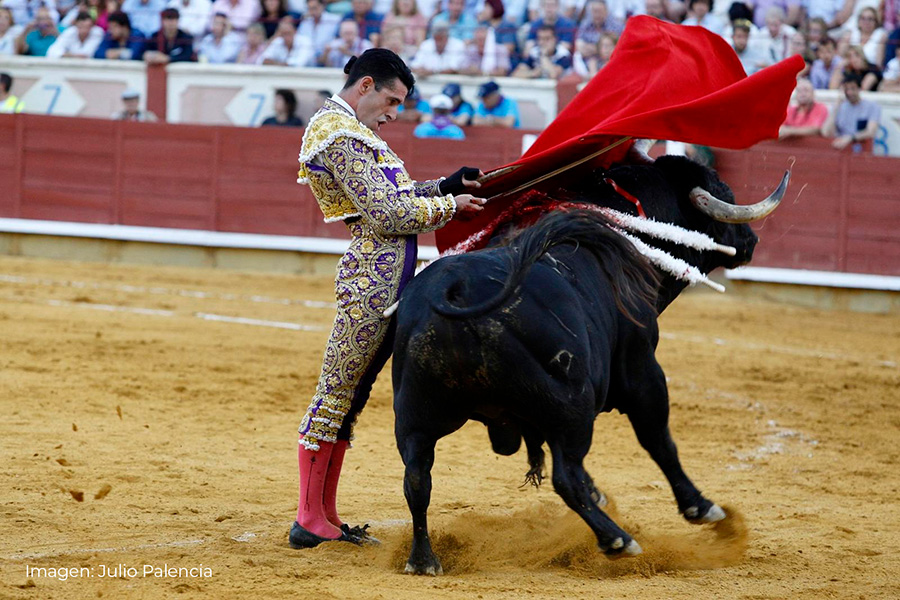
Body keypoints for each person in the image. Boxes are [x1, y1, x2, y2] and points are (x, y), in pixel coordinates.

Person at [291, 48, 485, 549]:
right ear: (366, 85)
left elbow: (395, 195)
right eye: (392, 100)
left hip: (388, 275)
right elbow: (387, 214)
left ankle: (323, 517)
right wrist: (449, 205)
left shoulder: (352, 131)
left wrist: (445, 185)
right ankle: (308, 517)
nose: (395, 113)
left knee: (349, 398)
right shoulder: (339, 134)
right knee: (336, 392)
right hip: (371, 281)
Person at [821, 73, 881, 151]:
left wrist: (850, 138)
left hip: (862, 150)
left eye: (853, 88)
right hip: (840, 149)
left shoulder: (872, 106)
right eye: (846, 89)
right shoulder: (839, 106)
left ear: (859, 89)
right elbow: (826, 132)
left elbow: (871, 131)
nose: (849, 92)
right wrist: (836, 108)